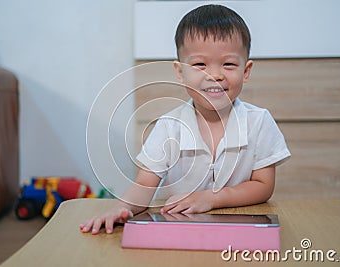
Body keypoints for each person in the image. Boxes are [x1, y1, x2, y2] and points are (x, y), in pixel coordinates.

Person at [80, 4, 290, 234]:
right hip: (180, 230)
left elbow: (263, 186)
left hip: (240, 229)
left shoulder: (259, 122)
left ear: (246, 71)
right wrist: (121, 208)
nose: (215, 75)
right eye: (200, 64)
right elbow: (145, 185)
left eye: (228, 64)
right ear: (180, 72)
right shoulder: (169, 127)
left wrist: (211, 198)